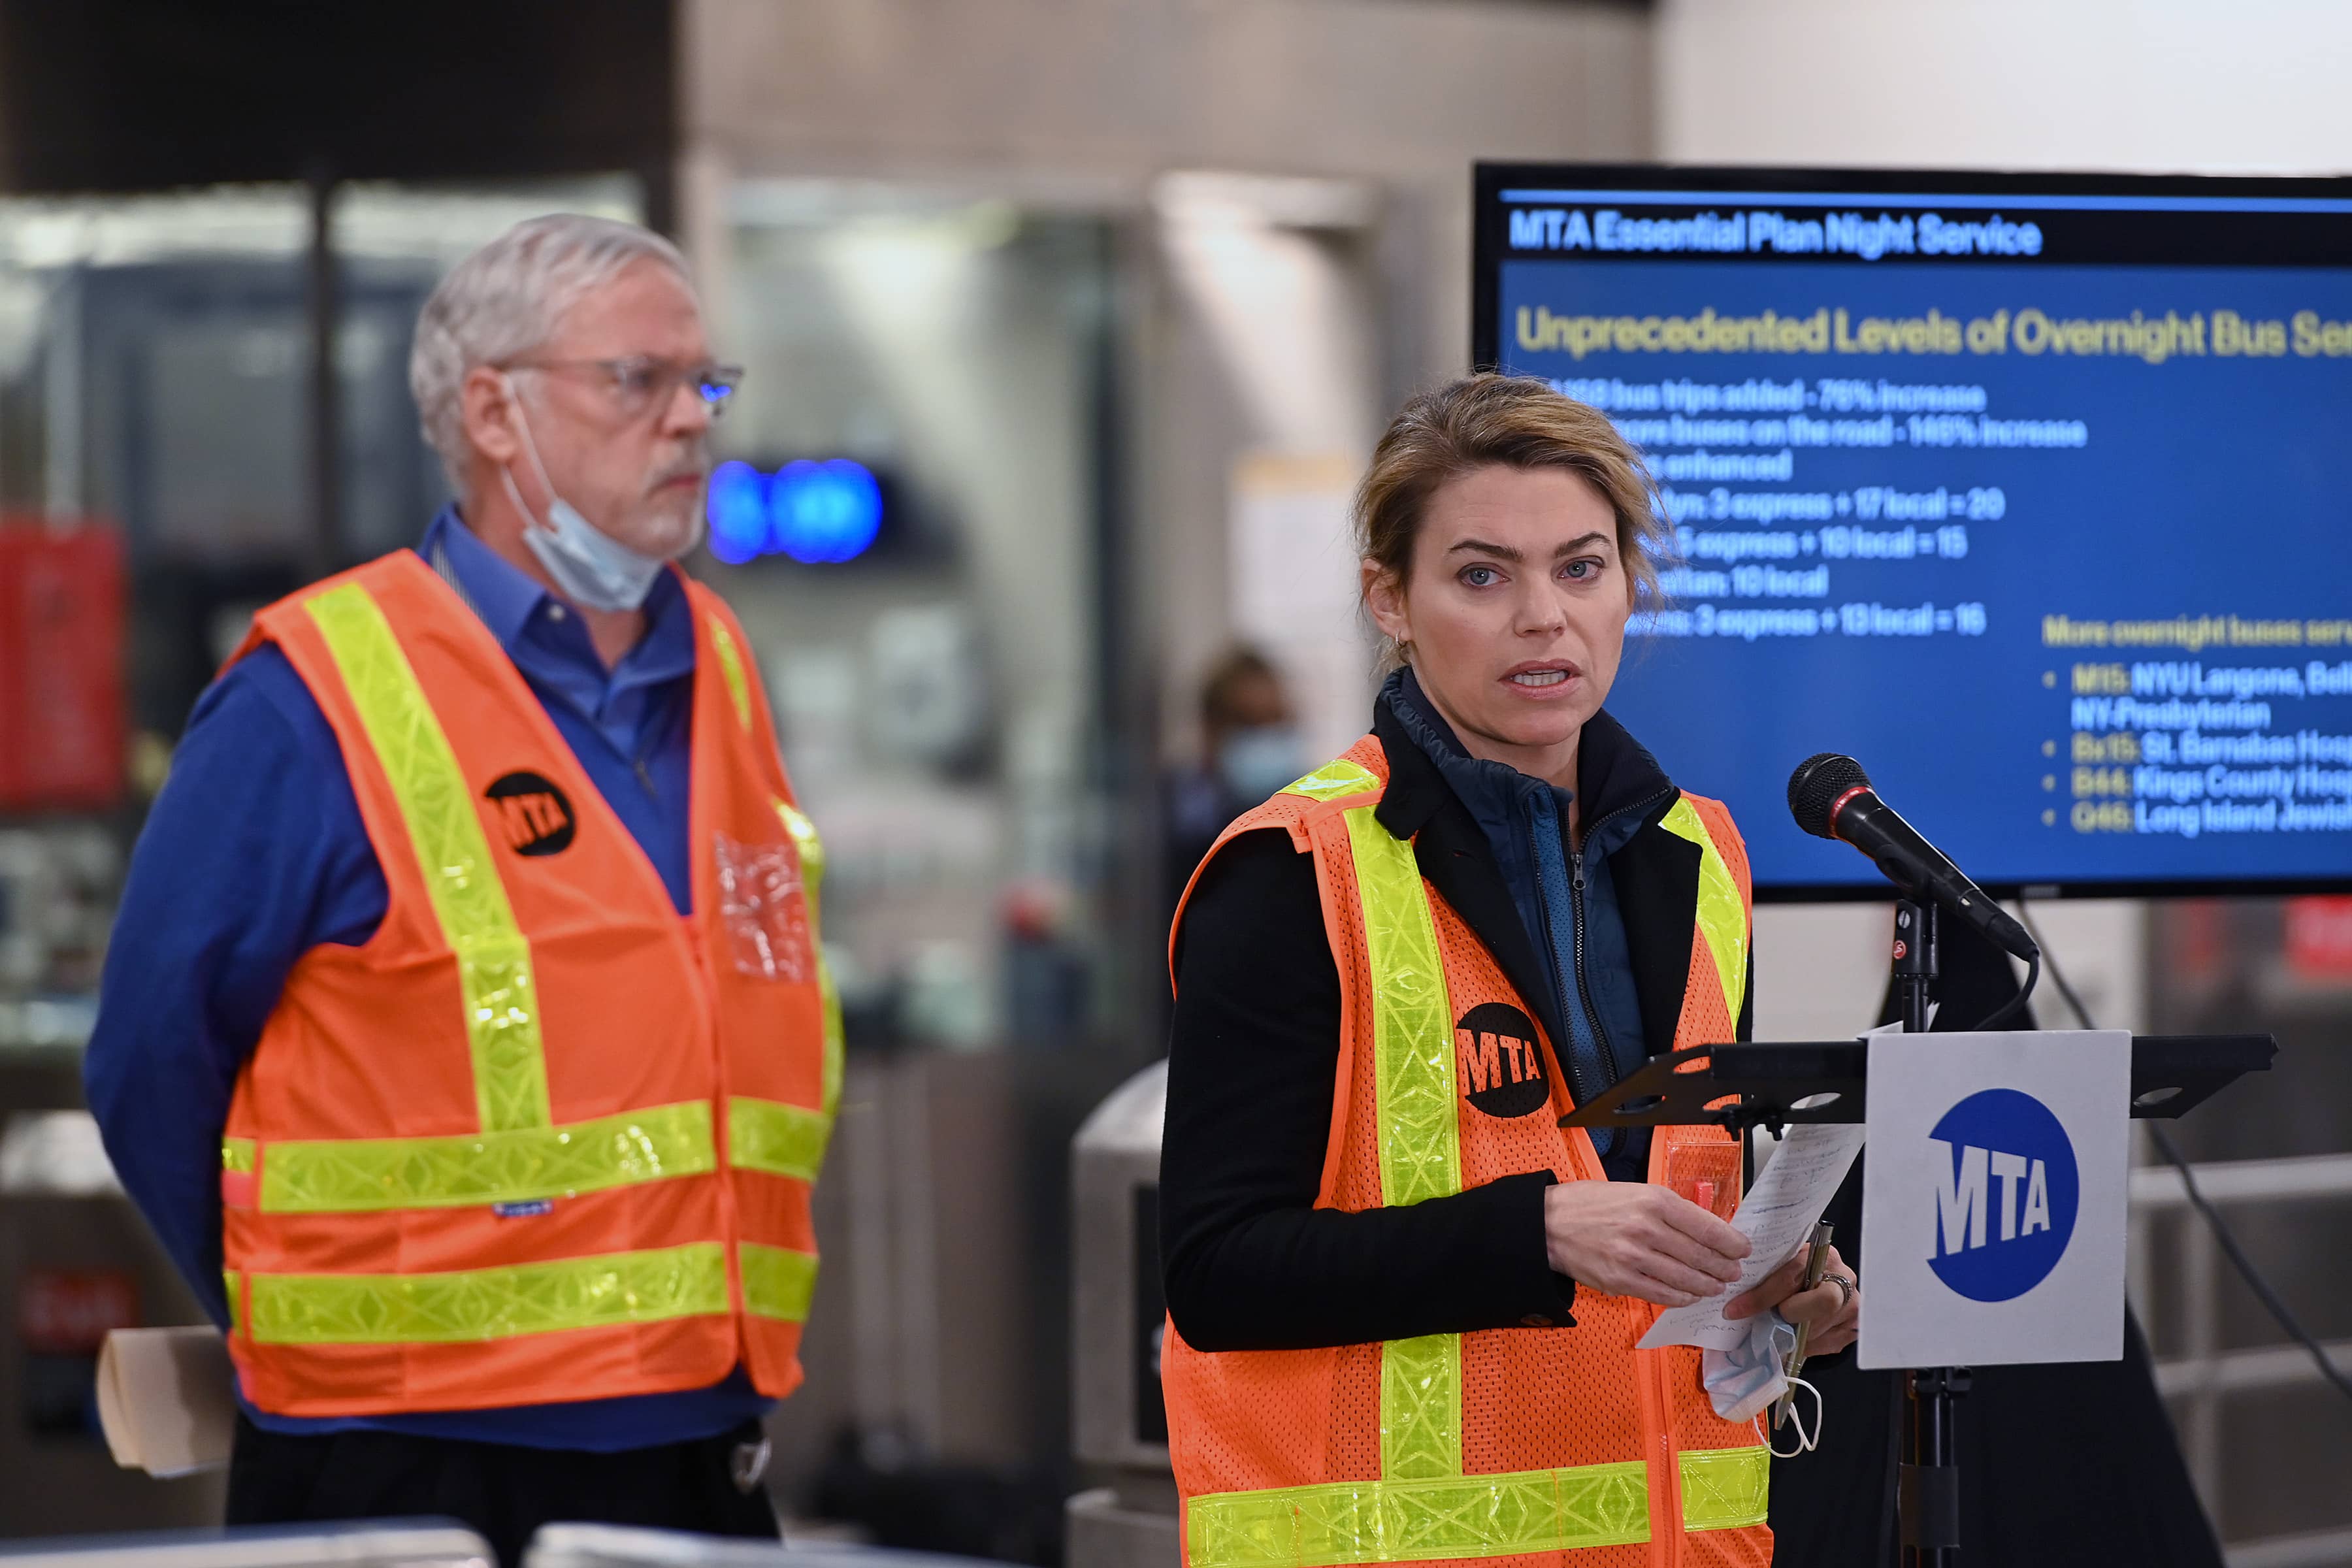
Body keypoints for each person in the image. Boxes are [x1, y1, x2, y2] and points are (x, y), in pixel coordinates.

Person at [84, 216, 840, 1561]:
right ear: (494, 412)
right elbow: (153, 1057)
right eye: (636, 381)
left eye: (704, 384)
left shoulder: (718, 661)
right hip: (405, 1466)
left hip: (695, 1441)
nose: (689, 422)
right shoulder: (311, 695)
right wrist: (308, 1296)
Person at [1158, 374, 1860, 1567]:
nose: (1546, 616)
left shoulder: (1706, 857)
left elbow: (1669, 1208)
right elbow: (1219, 1275)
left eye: (1583, 568)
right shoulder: (1293, 870)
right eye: (1484, 575)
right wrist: (1532, 1231)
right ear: (1392, 598)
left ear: (1630, 586)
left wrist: (1783, 1288)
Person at [1162, 646, 1303, 922]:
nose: (1264, 739)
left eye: (1275, 721)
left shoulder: (1310, 813)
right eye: (1247, 724)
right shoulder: (1171, 809)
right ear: (1210, 728)